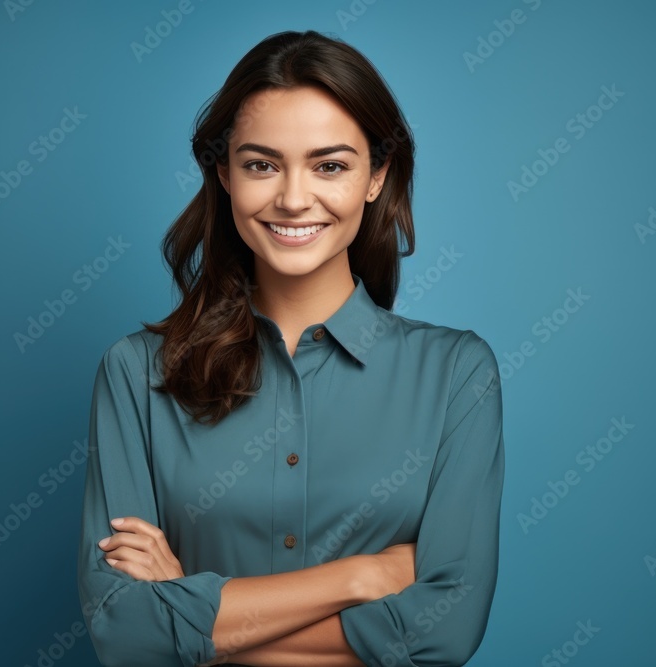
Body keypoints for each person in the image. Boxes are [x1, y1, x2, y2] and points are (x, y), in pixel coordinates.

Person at [77, 29, 505, 667]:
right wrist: (362, 579)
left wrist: (194, 618)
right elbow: (127, 634)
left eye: (329, 165)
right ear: (224, 174)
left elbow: (444, 632)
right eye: (261, 164)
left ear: (376, 175)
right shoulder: (137, 372)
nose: (294, 198)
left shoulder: (457, 374)